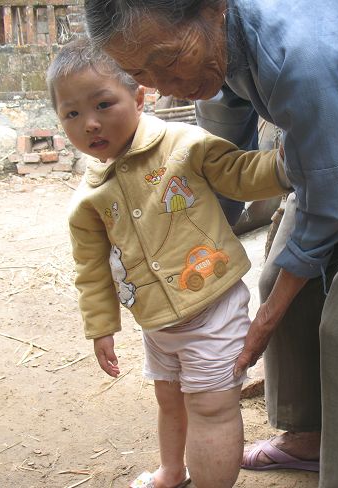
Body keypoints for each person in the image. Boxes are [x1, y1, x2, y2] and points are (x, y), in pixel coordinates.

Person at [83, 1, 338, 486]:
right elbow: (219, 164)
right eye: (140, 74)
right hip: (328, 137)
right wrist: (188, 246)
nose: (164, 85)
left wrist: (264, 321)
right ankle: (307, 438)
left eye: (167, 61)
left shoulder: (299, 49)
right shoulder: (207, 51)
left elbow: (326, 209)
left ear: (212, 8)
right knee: (278, 278)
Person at [46, 37, 290, 488]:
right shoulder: (87, 198)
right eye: (72, 114)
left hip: (212, 309)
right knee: (170, 400)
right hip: (156, 321)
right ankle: (173, 472)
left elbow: (240, 173)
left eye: (103, 104)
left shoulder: (184, 144)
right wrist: (101, 326)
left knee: (211, 408)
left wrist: (286, 166)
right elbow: (91, 269)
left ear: (139, 97)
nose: (90, 123)